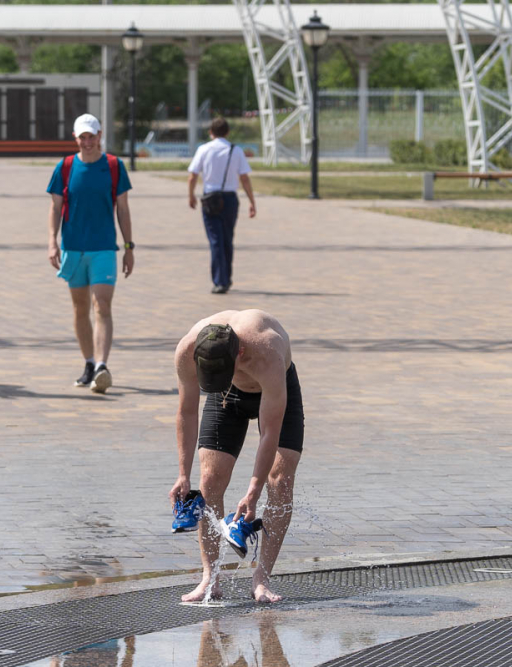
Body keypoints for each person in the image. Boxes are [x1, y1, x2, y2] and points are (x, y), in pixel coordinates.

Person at [170, 310, 304, 603]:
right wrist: (183, 474)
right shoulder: (187, 350)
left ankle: (262, 579)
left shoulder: (267, 351)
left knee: (280, 481)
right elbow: (187, 411)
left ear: (240, 352)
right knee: (209, 480)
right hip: (227, 397)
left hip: (275, 391)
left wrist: (253, 491)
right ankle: (210, 578)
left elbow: (269, 432)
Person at [47, 114, 134, 394]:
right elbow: (55, 207)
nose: (87, 142)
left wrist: (129, 247)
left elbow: (123, 209)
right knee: (80, 308)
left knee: (103, 306)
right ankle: (88, 362)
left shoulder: (113, 166)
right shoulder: (65, 167)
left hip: (104, 249)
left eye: (91, 136)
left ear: (100, 136)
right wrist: (52, 241)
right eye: (82, 137)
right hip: (73, 248)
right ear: (76, 138)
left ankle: (102, 366)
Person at [187, 118, 256, 294]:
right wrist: (251, 201)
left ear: (211, 132)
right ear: (227, 132)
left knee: (215, 240)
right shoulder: (236, 150)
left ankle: (220, 280)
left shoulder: (204, 149)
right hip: (230, 199)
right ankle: (227, 278)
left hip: (210, 198)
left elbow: (193, 175)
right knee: (227, 239)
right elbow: (245, 178)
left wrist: (191, 195)